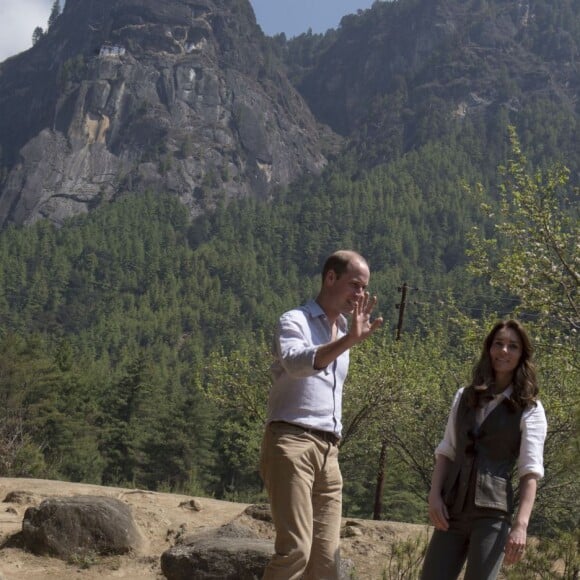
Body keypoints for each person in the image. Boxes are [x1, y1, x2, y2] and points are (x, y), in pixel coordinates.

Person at [260, 250, 383, 580]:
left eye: (365, 288)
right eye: (355, 285)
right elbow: (295, 363)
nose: (361, 295)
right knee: (295, 551)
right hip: (291, 441)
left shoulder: (345, 330)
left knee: (327, 561)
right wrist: (347, 342)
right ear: (330, 278)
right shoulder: (294, 320)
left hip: (330, 451)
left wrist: (347, 339)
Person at [420, 320, 548, 580]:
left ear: (522, 354)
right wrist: (434, 497)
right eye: (498, 344)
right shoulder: (464, 396)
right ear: (488, 348)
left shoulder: (530, 408)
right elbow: (447, 451)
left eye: (513, 346)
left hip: (493, 515)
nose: (504, 351)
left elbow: (530, 472)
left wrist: (520, 525)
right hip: (451, 511)